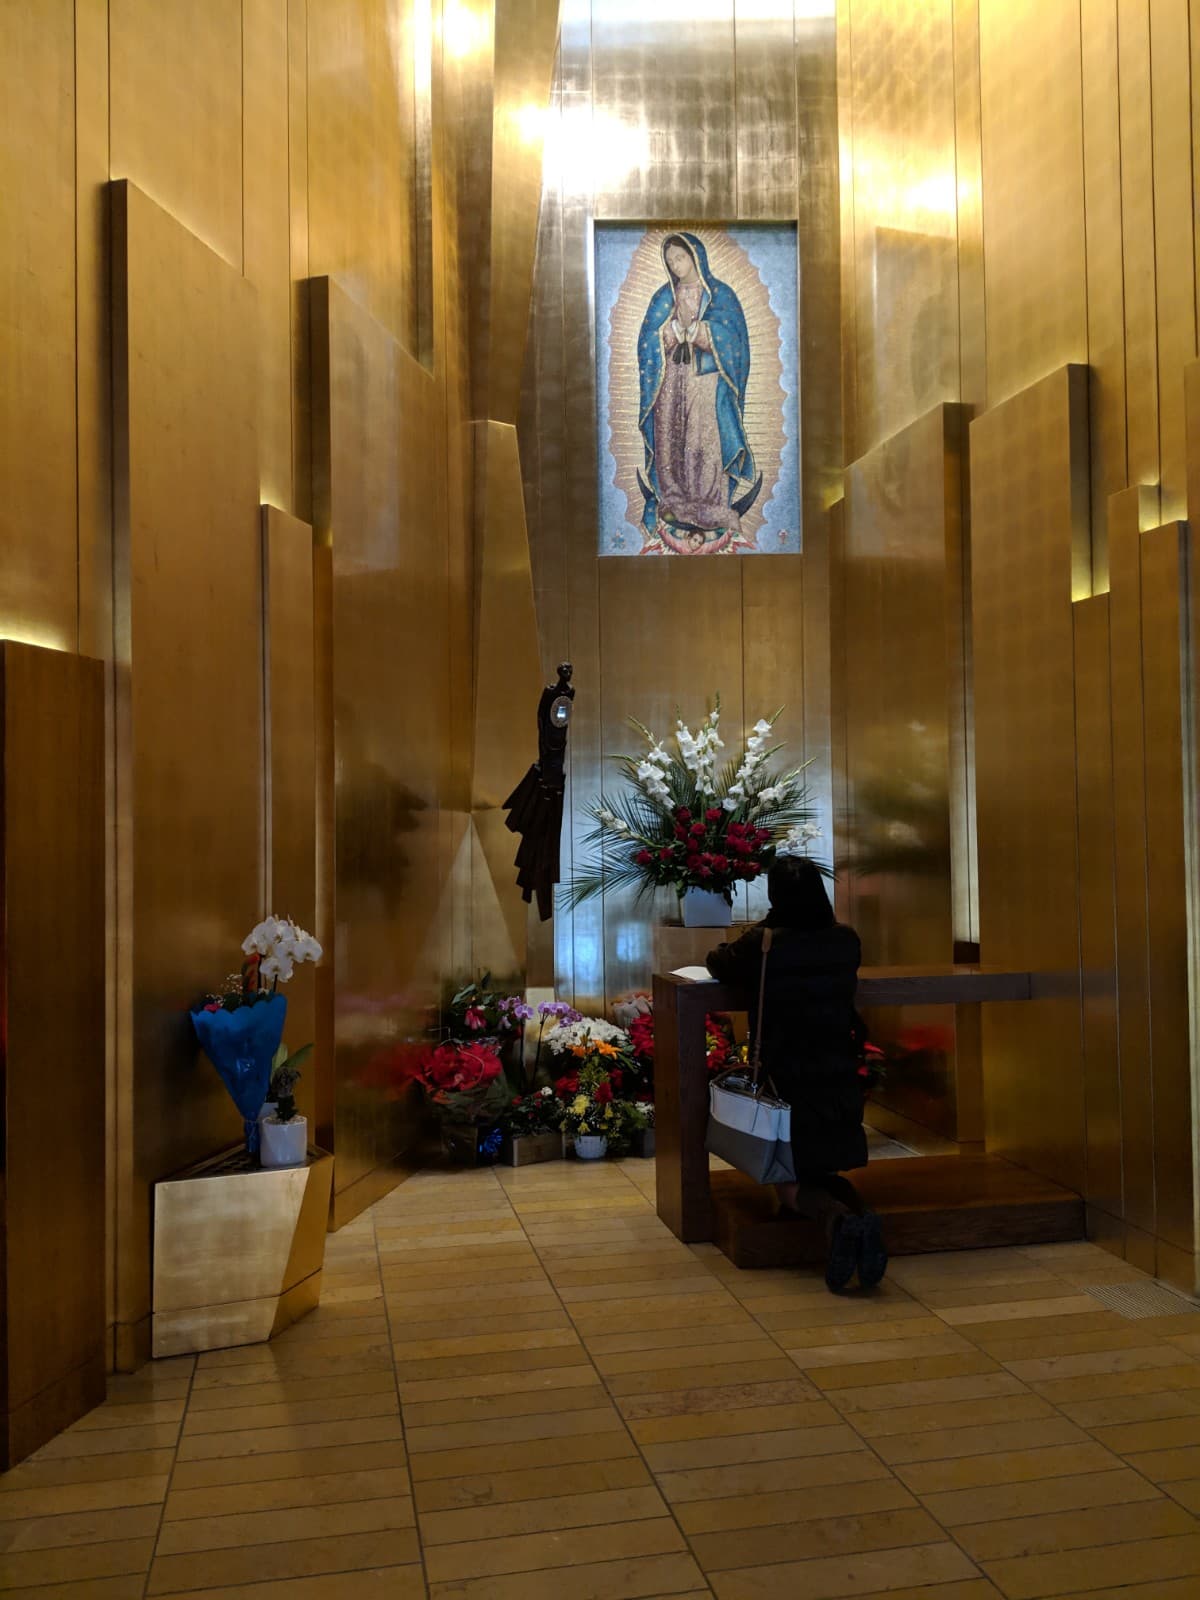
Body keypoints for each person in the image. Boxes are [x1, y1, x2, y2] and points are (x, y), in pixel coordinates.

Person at [706, 857, 887, 1291]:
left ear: (775, 896)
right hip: (838, 1065)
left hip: (786, 1071)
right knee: (824, 1163)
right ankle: (863, 1221)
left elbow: (718, 963)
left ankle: (837, 1221)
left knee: (786, 1172)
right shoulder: (846, 940)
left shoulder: (765, 941)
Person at [636, 232, 761, 554]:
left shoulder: (721, 295)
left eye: (680, 257)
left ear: (696, 256)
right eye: (670, 261)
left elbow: (736, 340)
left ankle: (709, 503)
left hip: (706, 379)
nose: (676, 265)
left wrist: (704, 332)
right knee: (670, 438)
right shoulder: (664, 297)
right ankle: (675, 499)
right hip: (670, 380)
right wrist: (668, 333)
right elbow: (647, 340)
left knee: (703, 439)